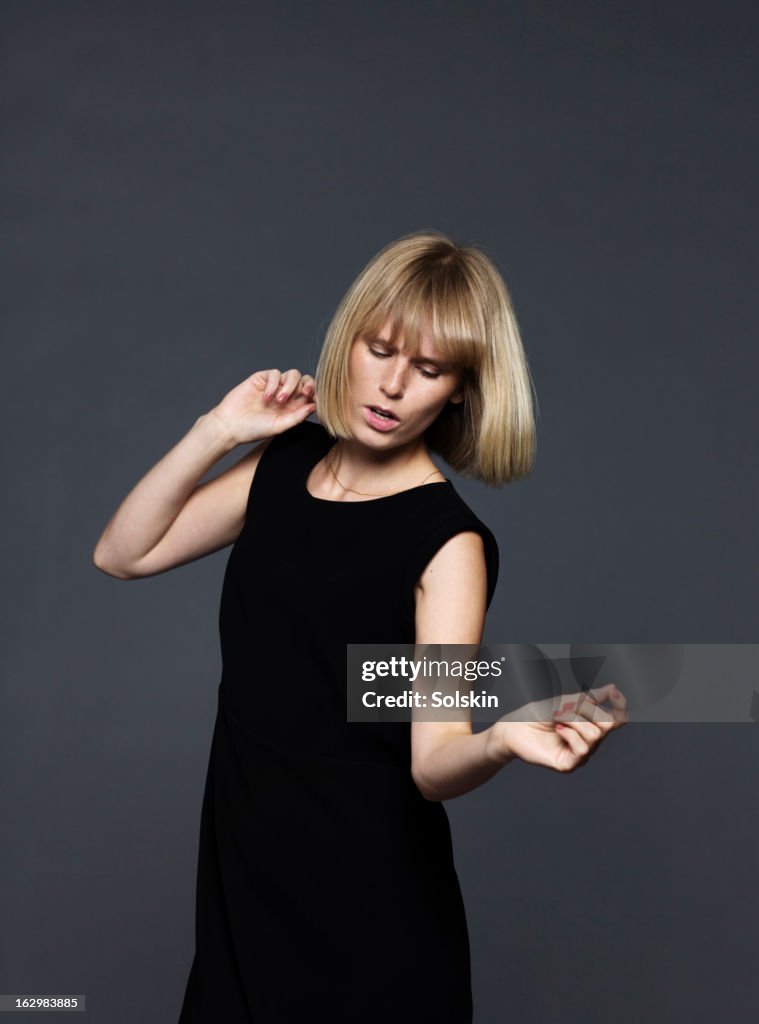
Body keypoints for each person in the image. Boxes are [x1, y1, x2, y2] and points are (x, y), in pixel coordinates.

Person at [92, 230, 628, 1022]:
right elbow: (123, 554)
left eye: (429, 368)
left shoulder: (447, 543)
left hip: (369, 915)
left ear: (459, 391)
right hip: (244, 882)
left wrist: (503, 737)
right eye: (380, 350)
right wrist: (217, 429)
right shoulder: (281, 464)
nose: (392, 386)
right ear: (348, 341)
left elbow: (431, 761)